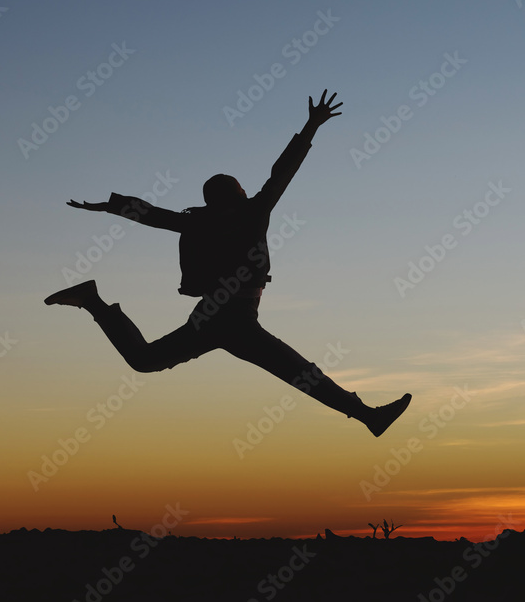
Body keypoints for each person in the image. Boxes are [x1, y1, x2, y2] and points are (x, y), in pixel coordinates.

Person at [45, 90, 411, 437]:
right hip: (231, 318)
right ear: (238, 193)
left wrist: (109, 204)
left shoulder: (198, 220)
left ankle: (92, 299)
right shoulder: (253, 212)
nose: (246, 191)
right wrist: (312, 125)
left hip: (213, 315)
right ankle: (368, 416)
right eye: (240, 188)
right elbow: (282, 172)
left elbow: (152, 214)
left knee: (147, 360)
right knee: (297, 371)